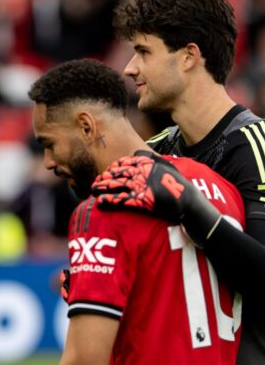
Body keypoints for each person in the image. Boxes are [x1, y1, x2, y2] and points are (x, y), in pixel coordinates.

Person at [93, 0, 265, 364]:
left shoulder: (258, 146)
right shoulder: (154, 152)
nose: (130, 68)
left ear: (188, 56)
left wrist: (194, 210)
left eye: (144, 51)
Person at [29, 59, 246, 365]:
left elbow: (85, 359)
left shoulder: (104, 207)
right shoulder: (219, 186)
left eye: (50, 144)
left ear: (87, 126)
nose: (48, 161)